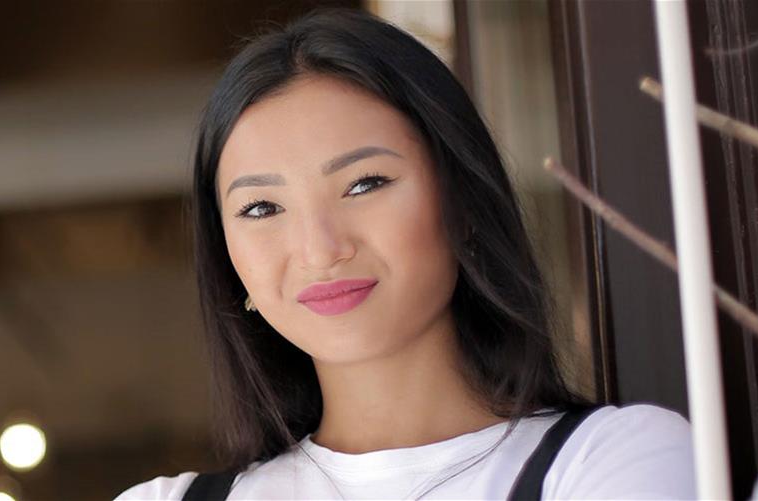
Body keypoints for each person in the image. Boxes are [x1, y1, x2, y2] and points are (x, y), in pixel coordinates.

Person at [117, 10, 694, 500]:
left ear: (462, 199)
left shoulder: (612, 460)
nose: (320, 249)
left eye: (365, 184)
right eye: (262, 209)